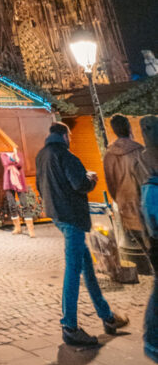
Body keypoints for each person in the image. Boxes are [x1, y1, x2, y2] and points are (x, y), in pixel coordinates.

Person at [35, 121, 128, 347]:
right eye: (70, 136)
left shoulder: (42, 155)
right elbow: (79, 184)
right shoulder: (67, 156)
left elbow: (41, 185)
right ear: (65, 136)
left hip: (58, 215)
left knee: (87, 267)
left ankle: (107, 316)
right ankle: (69, 326)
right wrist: (91, 180)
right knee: (74, 271)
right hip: (72, 218)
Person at [132, 115, 158, 363]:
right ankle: (153, 343)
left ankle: (152, 343)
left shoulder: (140, 158)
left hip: (148, 229)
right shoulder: (148, 159)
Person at [103, 114, 145, 245]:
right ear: (129, 127)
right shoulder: (138, 150)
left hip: (124, 204)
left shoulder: (109, 155)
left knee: (137, 244)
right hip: (143, 202)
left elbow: (110, 184)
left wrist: (119, 199)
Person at [0, 148, 34, 237]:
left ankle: (30, 229)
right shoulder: (3, 154)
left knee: (24, 204)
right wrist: (15, 160)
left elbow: (20, 164)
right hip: (8, 182)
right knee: (12, 205)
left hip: (19, 182)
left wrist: (15, 159)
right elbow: (6, 163)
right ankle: (17, 227)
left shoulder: (19, 153)